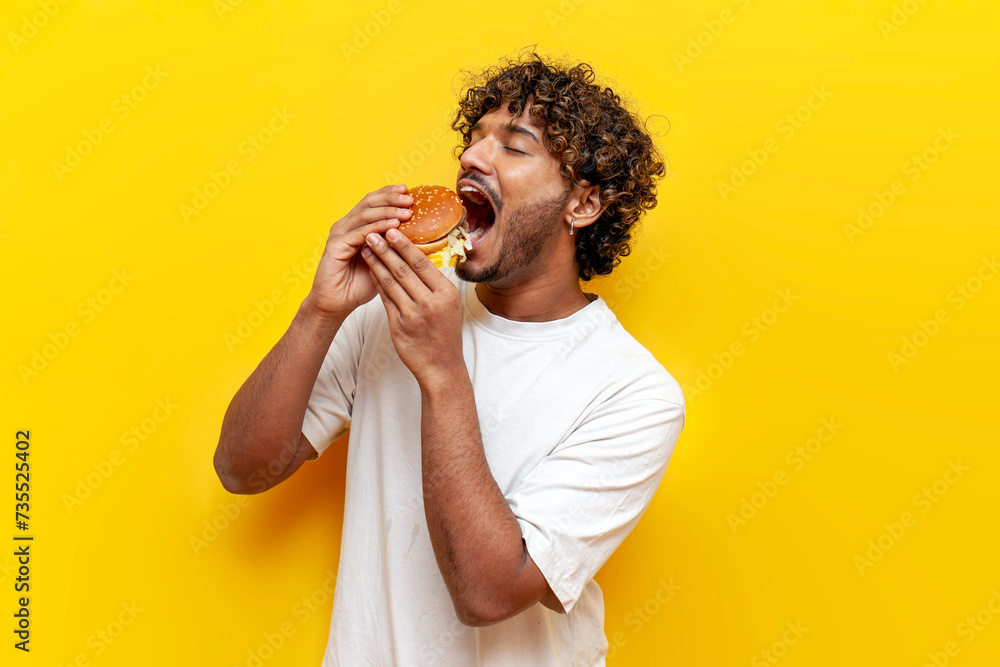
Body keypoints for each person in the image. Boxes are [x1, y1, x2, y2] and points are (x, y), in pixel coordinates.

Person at [214, 50, 685, 666]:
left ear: (584, 204)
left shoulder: (634, 394)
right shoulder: (396, 307)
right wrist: (321, 310)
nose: (471, 157)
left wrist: (440, 370)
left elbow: (489, 593)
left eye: (514, 147)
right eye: (474, 139)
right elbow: (241, 470)